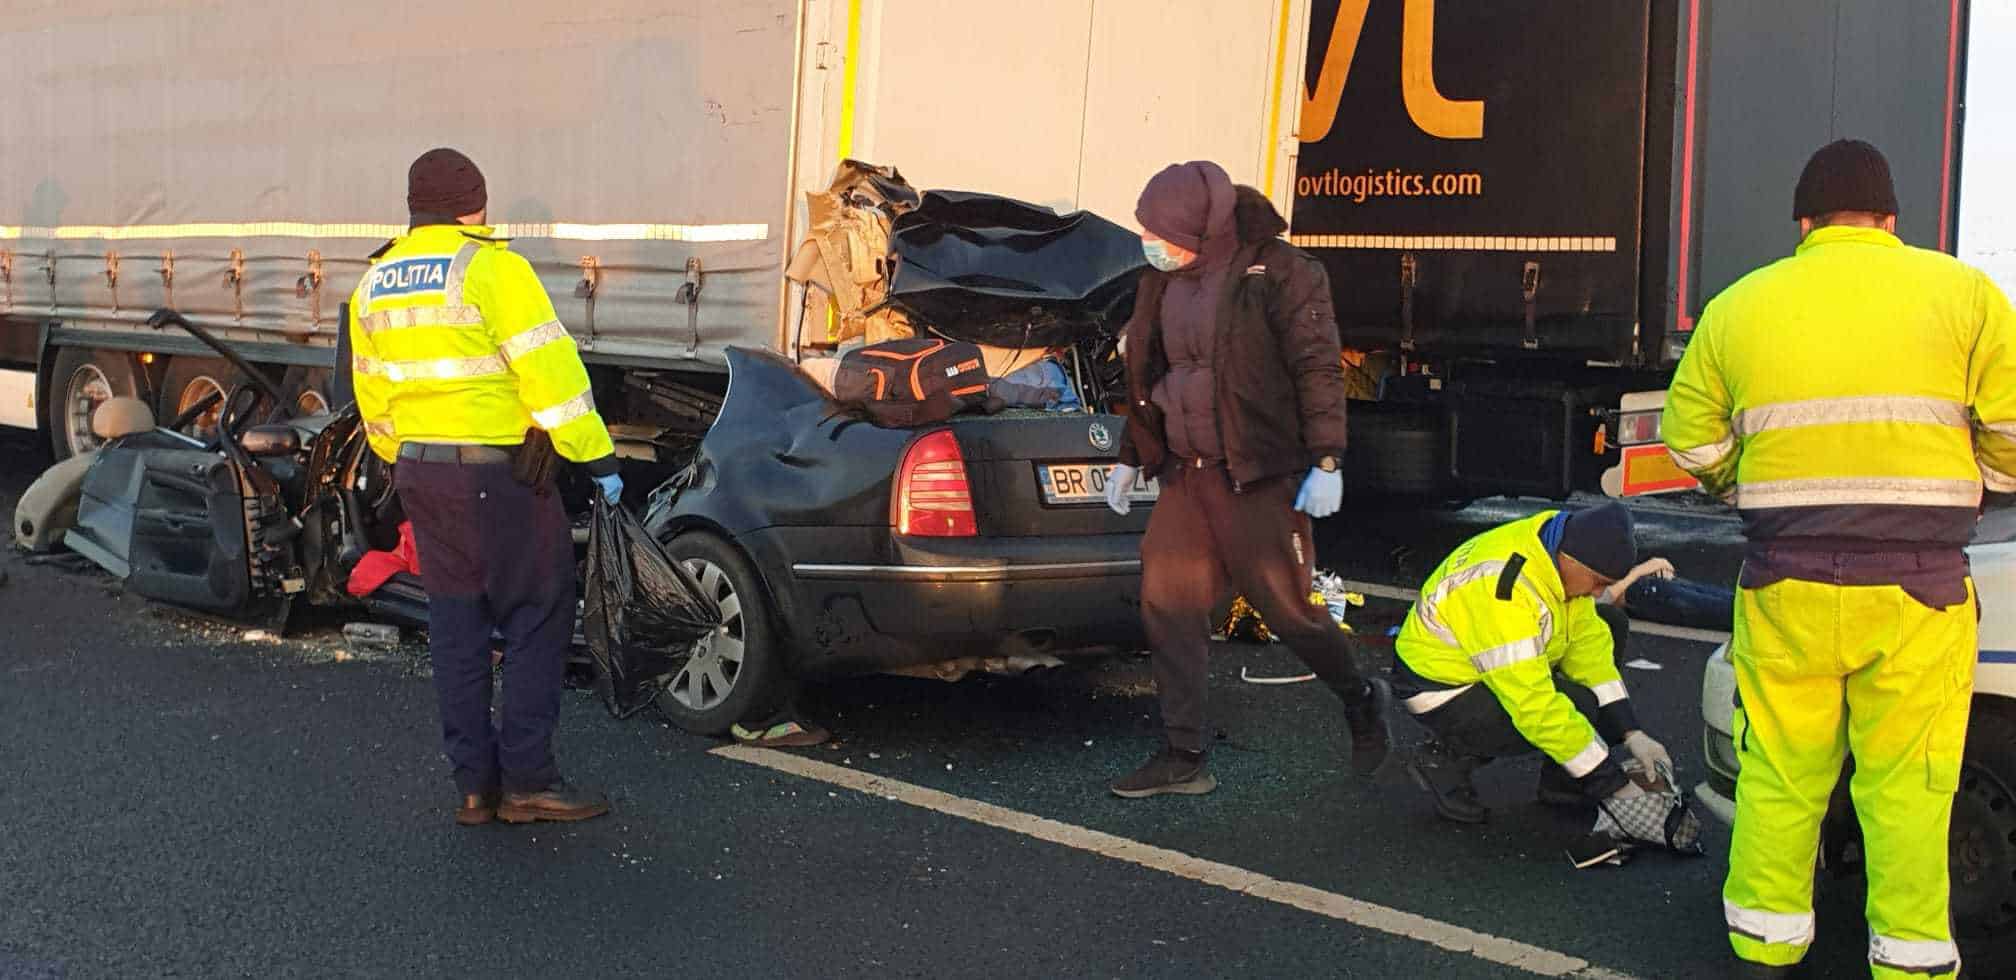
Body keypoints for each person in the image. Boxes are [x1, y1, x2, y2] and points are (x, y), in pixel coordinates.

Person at [1664, 139, 2016, 979]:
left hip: (1784, 583)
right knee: (1909, 793)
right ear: (1891, 221)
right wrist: (1985, 480)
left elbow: (1690, 439)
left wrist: (1738, 484)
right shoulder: (1966, 295)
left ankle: (1763, 950)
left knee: (1781, 780)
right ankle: (1911, 963)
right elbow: (2009, 437)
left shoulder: (1741, 305)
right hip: (1921, 593)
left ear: (1804, 222)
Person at [349, 148, 625, 827]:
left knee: (456, 621)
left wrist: (403, 455)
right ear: (474, 203)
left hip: (420, 471)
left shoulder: (376, 281)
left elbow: (371, 394)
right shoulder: (494, 268)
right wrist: (598, 460)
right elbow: (552, 376)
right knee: (538, 608)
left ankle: (474, 786)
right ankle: (529, 779)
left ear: (416, 206)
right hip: (498, 477)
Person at [1103, 160, 1389, 798]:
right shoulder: (1160, 281)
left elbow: (1317, 367)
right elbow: (1152, 374)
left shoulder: (1283, 272)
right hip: (1187, 474)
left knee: (1288, 613)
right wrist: (1132, 454)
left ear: (1204, 230)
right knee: (1168, 604)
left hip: (1258, 474)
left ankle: (1362, 697)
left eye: (1167, 237)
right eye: (1149, 235)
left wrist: (1327, 459)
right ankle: (1183, 754)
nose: (1155, 247)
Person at [1392, 503, 1675, 831]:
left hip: (1483, 664)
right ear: (1570, 560)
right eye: (1598, 582)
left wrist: (1631, 732)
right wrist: (1612, 785)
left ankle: (1564, 781)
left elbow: (1589, 649)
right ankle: (1445, 759)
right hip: (1440, 687)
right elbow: (1534, 706)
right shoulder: (1504, 589)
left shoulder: (1555, 549)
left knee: (1608, 622)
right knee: (1577, 704)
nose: (1600, 592)